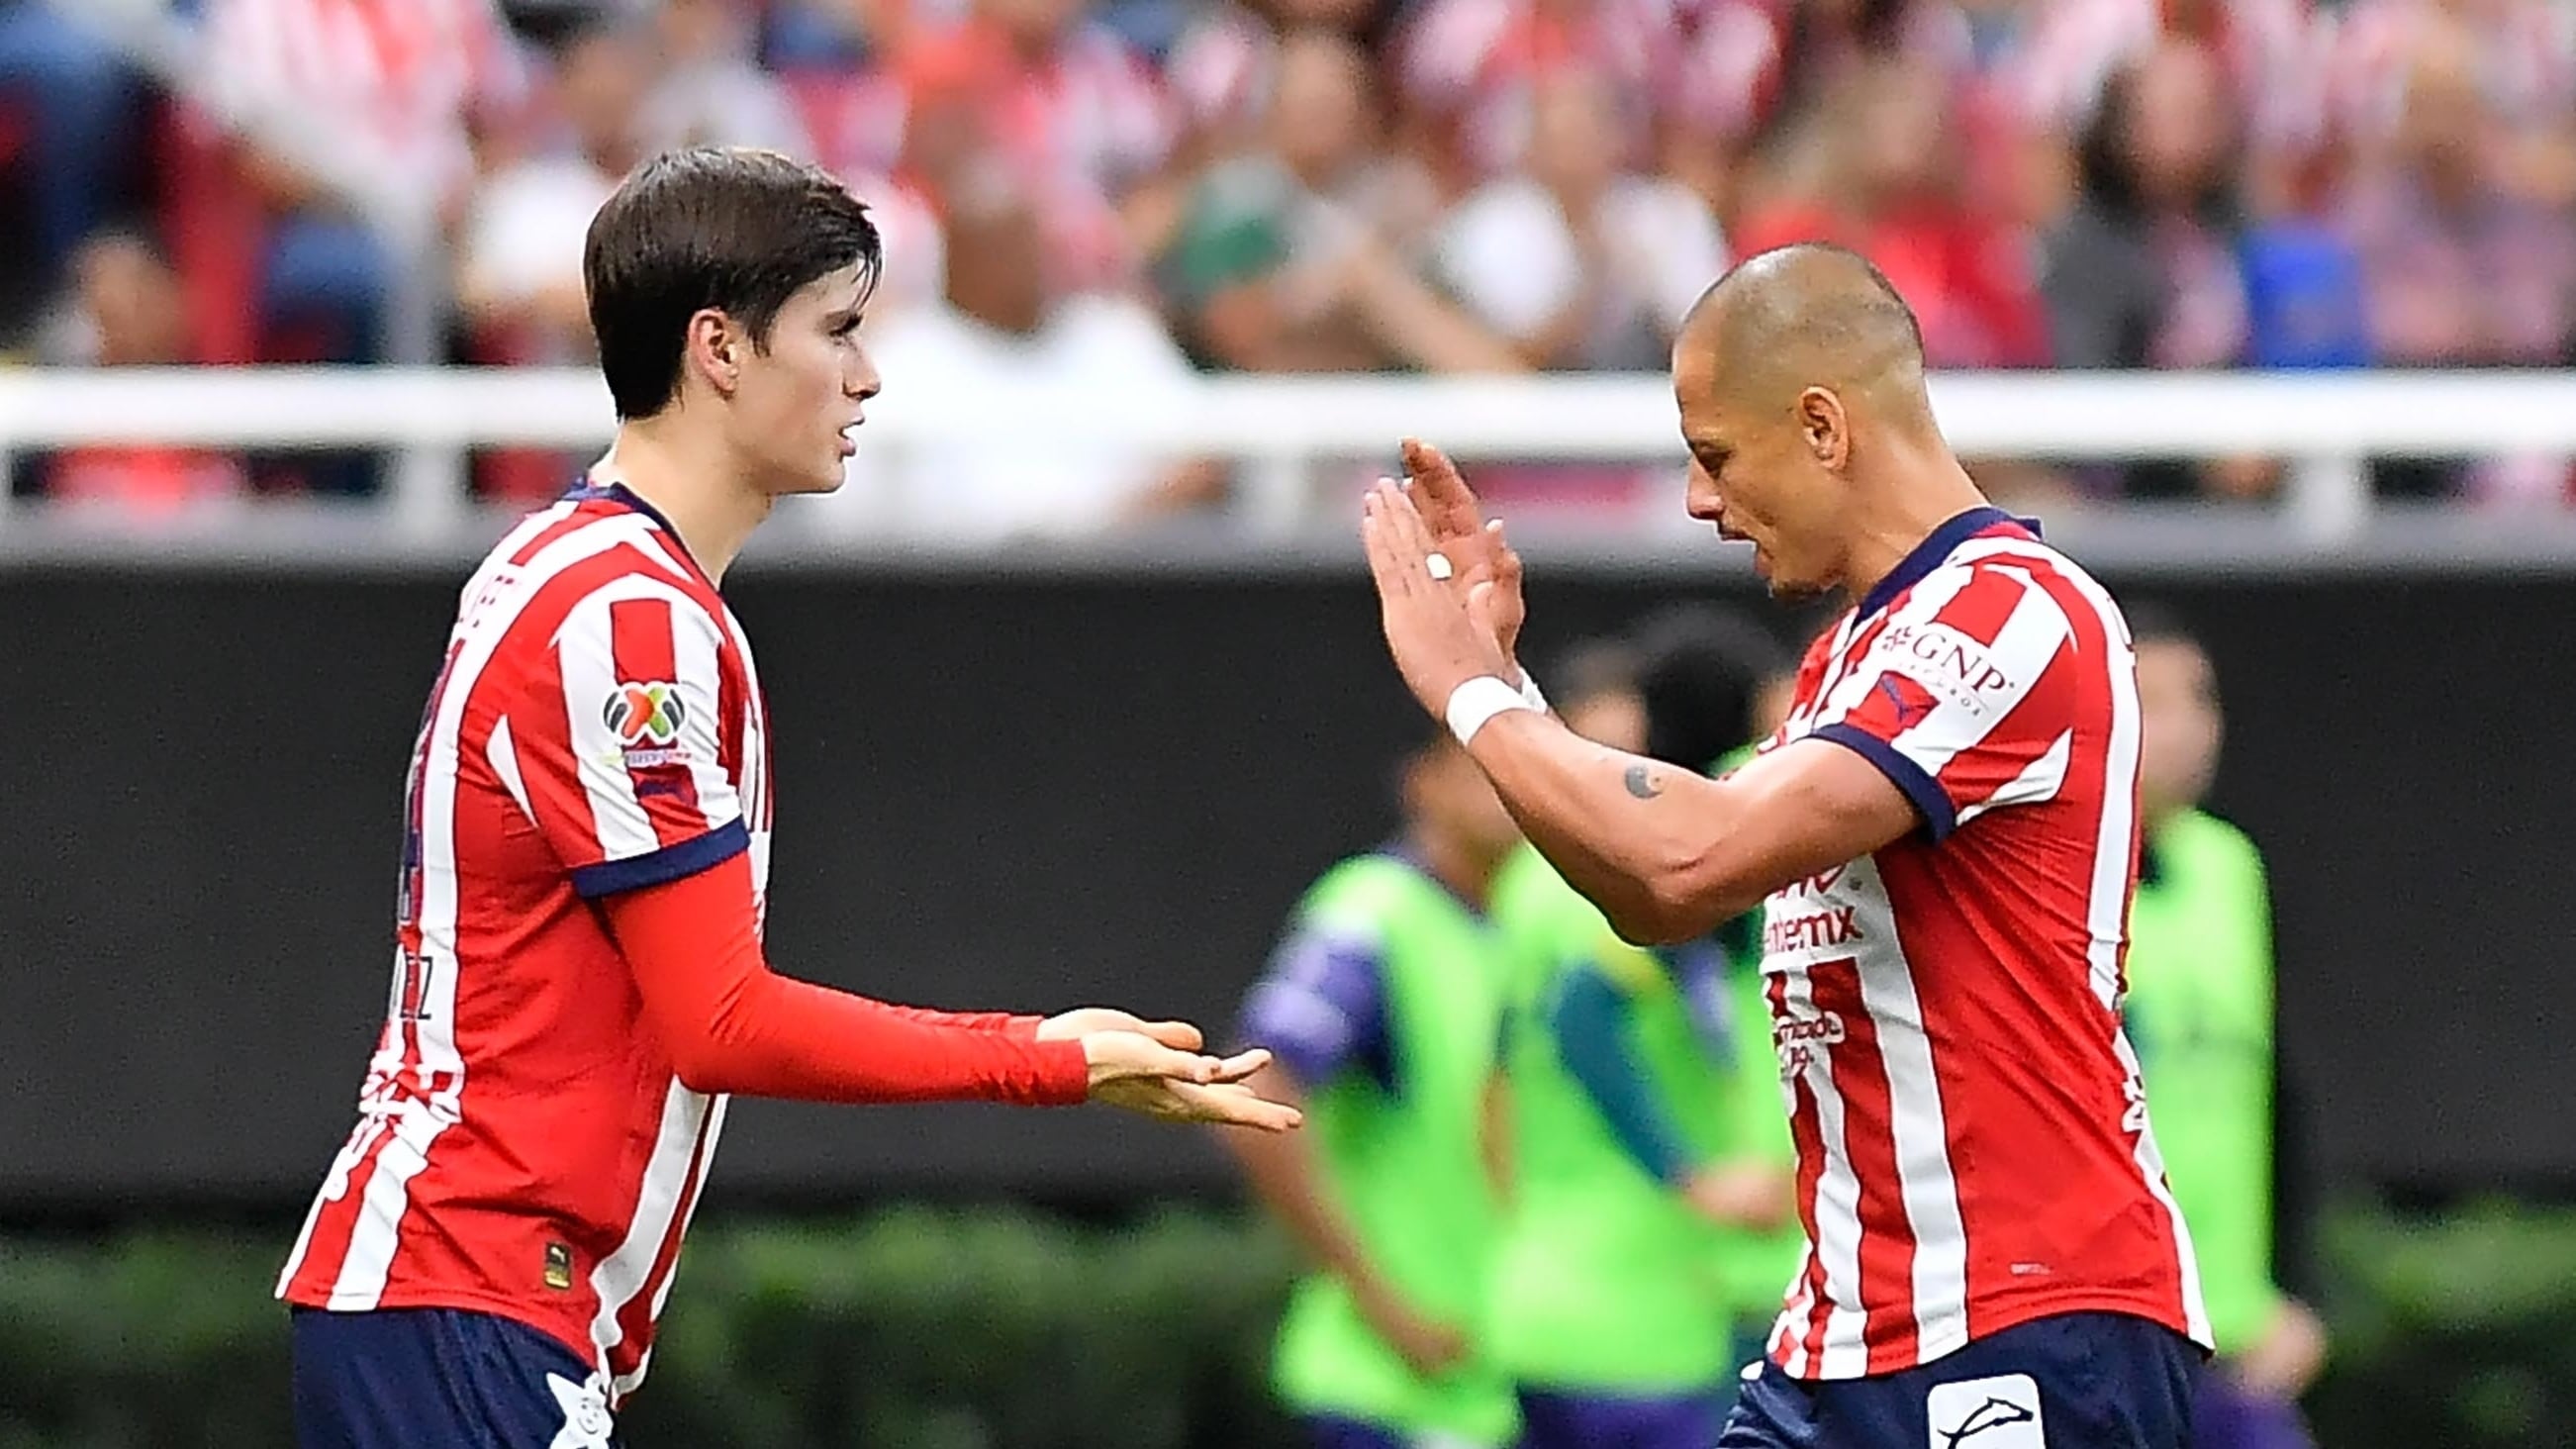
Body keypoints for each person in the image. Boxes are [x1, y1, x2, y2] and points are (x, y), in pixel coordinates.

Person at [275, 147, 1297, 1449]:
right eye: (838, 330)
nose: (867, 374)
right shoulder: (627, 618)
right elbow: (720, 1021)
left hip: (464, 1305)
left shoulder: (600, 576)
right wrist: (1049, 1059)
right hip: (466, 1296)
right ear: (719, 348)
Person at [1356, 242, 2210, 1449]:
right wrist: (1495, 680)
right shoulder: (1844, 660)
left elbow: (1683, 859)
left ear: (1821, 426)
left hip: (2019, 1323)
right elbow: (1655, 896)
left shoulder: (2011, 610)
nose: (1701, 502)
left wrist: (1465, 690)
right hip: (1851, 1331)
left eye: (1714, 458)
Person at [1483, 628, 1798, 1449]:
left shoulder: (1534, 872)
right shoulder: (1646, 859)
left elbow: (1496, 1097)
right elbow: (1582, 1013)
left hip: (1567, 1279)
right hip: (1641, 1302)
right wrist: (1692, 1178)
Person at [1221, 725, 1525, 1449]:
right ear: (1422, 781)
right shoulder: (1375, 914)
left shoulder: (1532, 919)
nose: (1507, 798)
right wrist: (1379, 1301)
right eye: (1480, 771)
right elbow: (1258, 1085)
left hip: (1513, 1374)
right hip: (1403, 1388)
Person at [2122, 604, 2327, 1449]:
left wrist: (2300, 1292)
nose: (2189, 731)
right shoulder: (2040, 878)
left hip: (2234, 1339)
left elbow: (2275, 1090)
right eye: (2152, 703)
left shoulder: (2226, 865)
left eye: (2199, 700)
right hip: (2113, 1341)